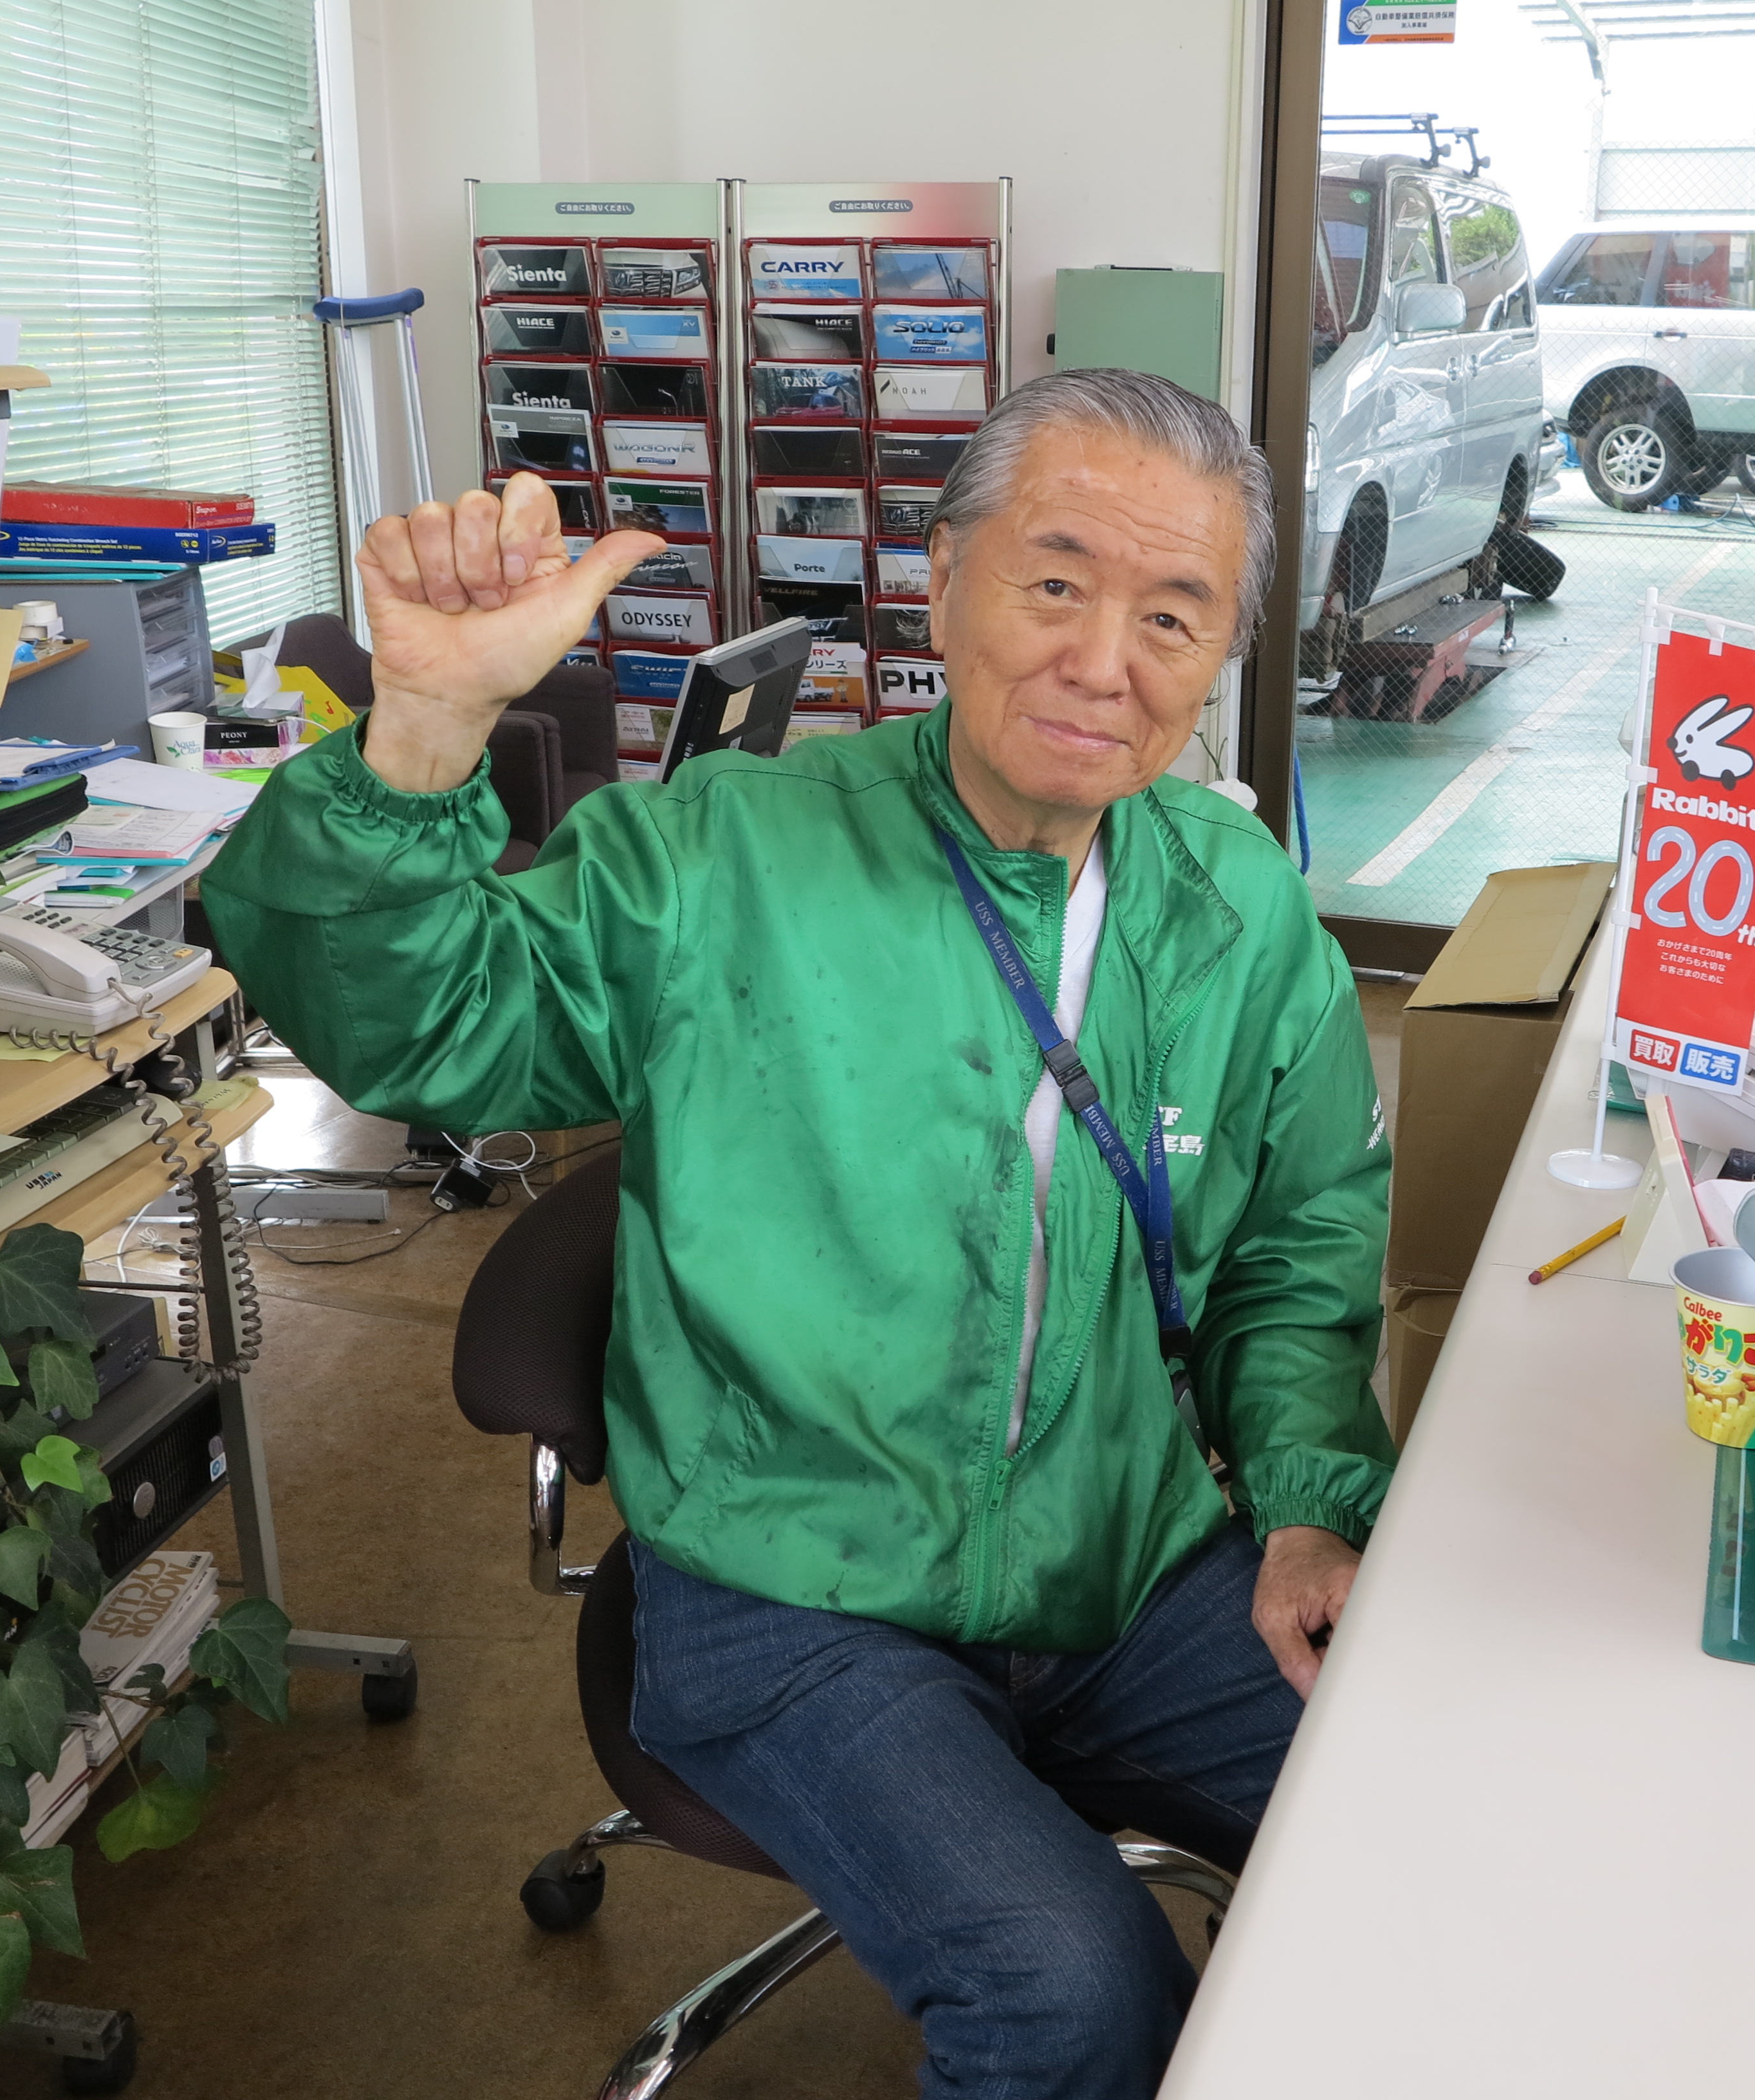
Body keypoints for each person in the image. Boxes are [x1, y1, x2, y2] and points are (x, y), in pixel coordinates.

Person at [202, 369, 1395, 2099]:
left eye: (1172, 614)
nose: (1103, 660)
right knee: (1070, 1990)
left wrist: (1304, 1501)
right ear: (946, 580)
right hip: (792, 1582)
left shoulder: (1238, 909)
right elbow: (425, 1028)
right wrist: (428, 733)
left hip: (1129, 1557)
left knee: (1431, 1833)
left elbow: (1300, 1244)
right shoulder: (720, 857)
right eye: (1055, 582)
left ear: (1220, 656)